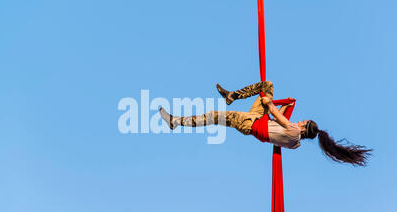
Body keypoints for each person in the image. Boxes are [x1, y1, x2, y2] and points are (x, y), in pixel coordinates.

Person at [159, 81, 371, 166]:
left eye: (302, 121)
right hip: (259, 120)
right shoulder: (295, 143)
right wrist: (284, 105)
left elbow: (274, 113)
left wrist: (274, 104)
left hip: (250, 123)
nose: (299, 120)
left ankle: (176, 122)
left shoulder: (291, 130)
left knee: (215, 115)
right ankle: (233, 95)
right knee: (267, 85)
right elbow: (277, 122)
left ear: (304, 127)